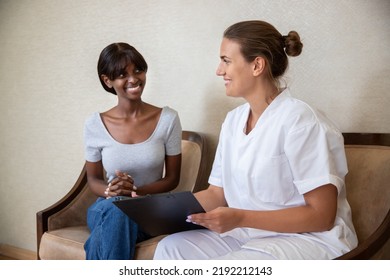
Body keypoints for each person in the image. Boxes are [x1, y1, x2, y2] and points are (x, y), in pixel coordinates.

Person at [154, 20, 358, 260]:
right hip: (249, 234)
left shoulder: (302, 122)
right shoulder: (232, 121)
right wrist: (158, 209)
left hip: (308, 239)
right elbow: (216, 195)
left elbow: (321, 216)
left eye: (226, 61)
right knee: (171, 248)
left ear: (257, 65)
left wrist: (240, 217)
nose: (219, 71)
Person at [83, 42, 182, 259]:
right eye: (122, 74)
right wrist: (112, 191)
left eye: (138, 70)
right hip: (106, 206)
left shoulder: (168, 119)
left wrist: (137, 190)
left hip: (150, 209)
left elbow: (173, 178)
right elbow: (93, 180)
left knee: (103, 235)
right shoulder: (94, 124)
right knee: (117, 209)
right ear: (107, 80)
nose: (133, 79)